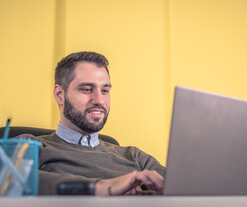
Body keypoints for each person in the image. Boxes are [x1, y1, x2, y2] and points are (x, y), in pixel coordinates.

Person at [35, 51, 166, 196]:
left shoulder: (134, 156)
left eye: (104, 90)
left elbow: (185, 189)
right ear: (60, 95)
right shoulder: (31, 146)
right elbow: (10, 179)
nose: (99, 100)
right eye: (86, 89)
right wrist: (103, 187)